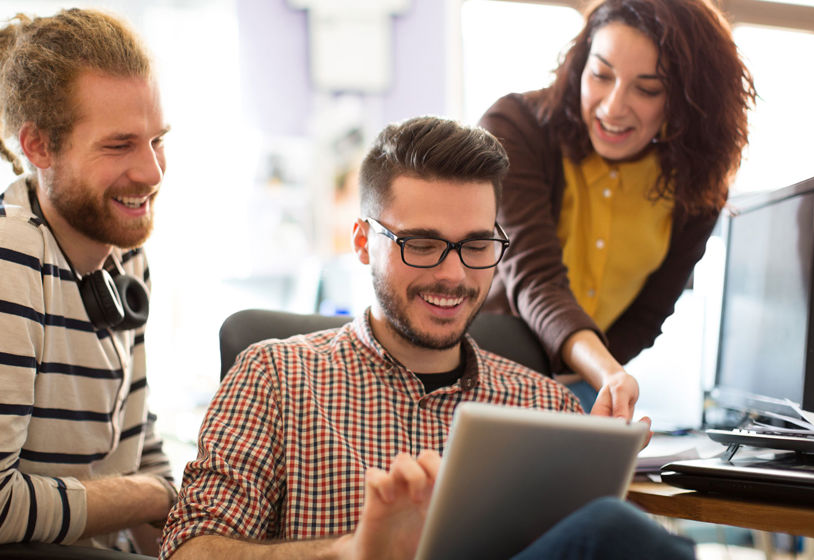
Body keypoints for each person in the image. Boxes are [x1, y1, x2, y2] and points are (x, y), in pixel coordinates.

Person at [159, 116, 694, 559]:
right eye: (421, 244)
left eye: (476, 245)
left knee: (615, 527)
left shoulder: (546, 406)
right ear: (364, 243)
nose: (454, 276)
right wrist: (350, 553)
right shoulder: (275, 376)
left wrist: (592, 471)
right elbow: (186, 550)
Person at [479, 0, 757, 416]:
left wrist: (600, 378)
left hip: (589, 387)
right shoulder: (515, 128)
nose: (612, 107)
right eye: (601, 74)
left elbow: (648, 315)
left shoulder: (697, 185)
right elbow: (535, 280)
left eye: (646, 89)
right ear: (580, 65)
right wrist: (607, 372)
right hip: (492, 374)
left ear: (687, 100)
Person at [0, 8, 175, 554]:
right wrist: (153, 497)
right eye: (119, 145)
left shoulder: (126, 254)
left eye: (157, 139)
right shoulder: (11, 259)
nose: (152, 172)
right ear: (39, 147)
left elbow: (140, 446)